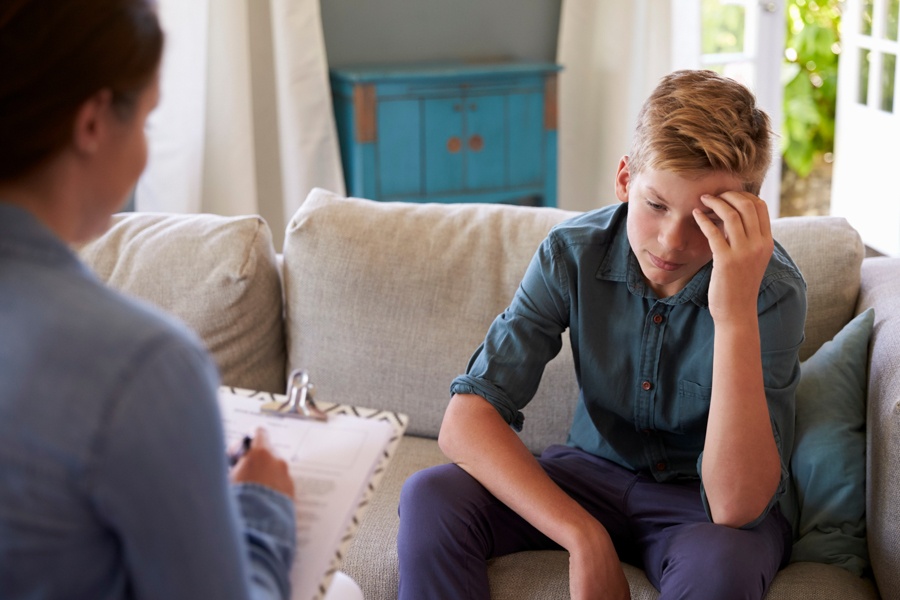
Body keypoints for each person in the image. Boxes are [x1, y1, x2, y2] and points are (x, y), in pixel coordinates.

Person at [397, 69, 808, 600]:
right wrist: (583, 536)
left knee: (722, 567)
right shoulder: (571, 252)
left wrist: (733, 314)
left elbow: (735, 506)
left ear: (745, 214)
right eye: (656, 205)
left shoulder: (772, 290)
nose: (671, 241)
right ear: (624, 180)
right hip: (585, 478)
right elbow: (465, 423)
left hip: (702, 511)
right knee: (432, 494)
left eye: (704, 220)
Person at [0, 1, 304, 598]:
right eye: (147, 122)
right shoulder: (141, 364)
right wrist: (263, 508)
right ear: (92, 123)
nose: (144, 154)